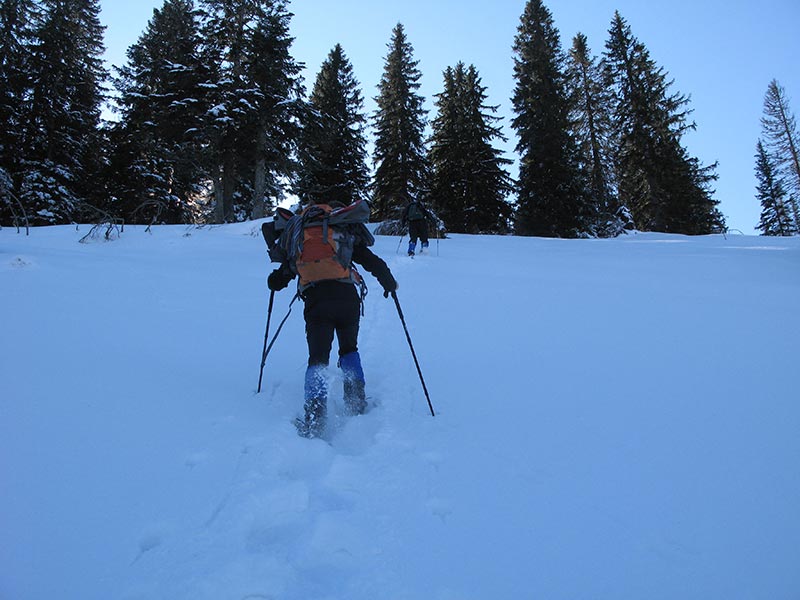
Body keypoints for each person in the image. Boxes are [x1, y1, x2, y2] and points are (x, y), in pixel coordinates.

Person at [267, 200, 398, 438]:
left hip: (316, 302)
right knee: (349, 349)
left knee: (318, 358)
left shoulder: (298, 235)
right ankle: (356, 402)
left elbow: (284, 273)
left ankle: (315, 418)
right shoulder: (342, 232)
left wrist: (274, 282)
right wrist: (389, 282)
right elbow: (372, 262)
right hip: (347, 298)